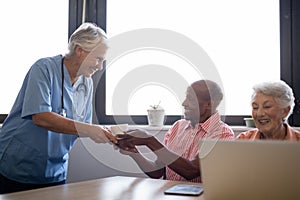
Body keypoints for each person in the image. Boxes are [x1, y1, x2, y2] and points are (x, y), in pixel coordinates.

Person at [0, 22, 117, 194]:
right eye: (98, 59)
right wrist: (92, 130)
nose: (100, 67)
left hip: (55, 171)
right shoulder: (43, 69)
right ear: (79, 50)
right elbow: (41, 117)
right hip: (18, 165)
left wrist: (109, 136)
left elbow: (82, 127)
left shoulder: (87, 83)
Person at [117, 80, 234, 182]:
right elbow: (157, 171)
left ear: (209, 104)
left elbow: (191, 171)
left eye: (191, 99)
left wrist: (150, 141)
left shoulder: (222, 134)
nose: (184, 103)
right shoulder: (177, 127)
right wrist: (133, 152)